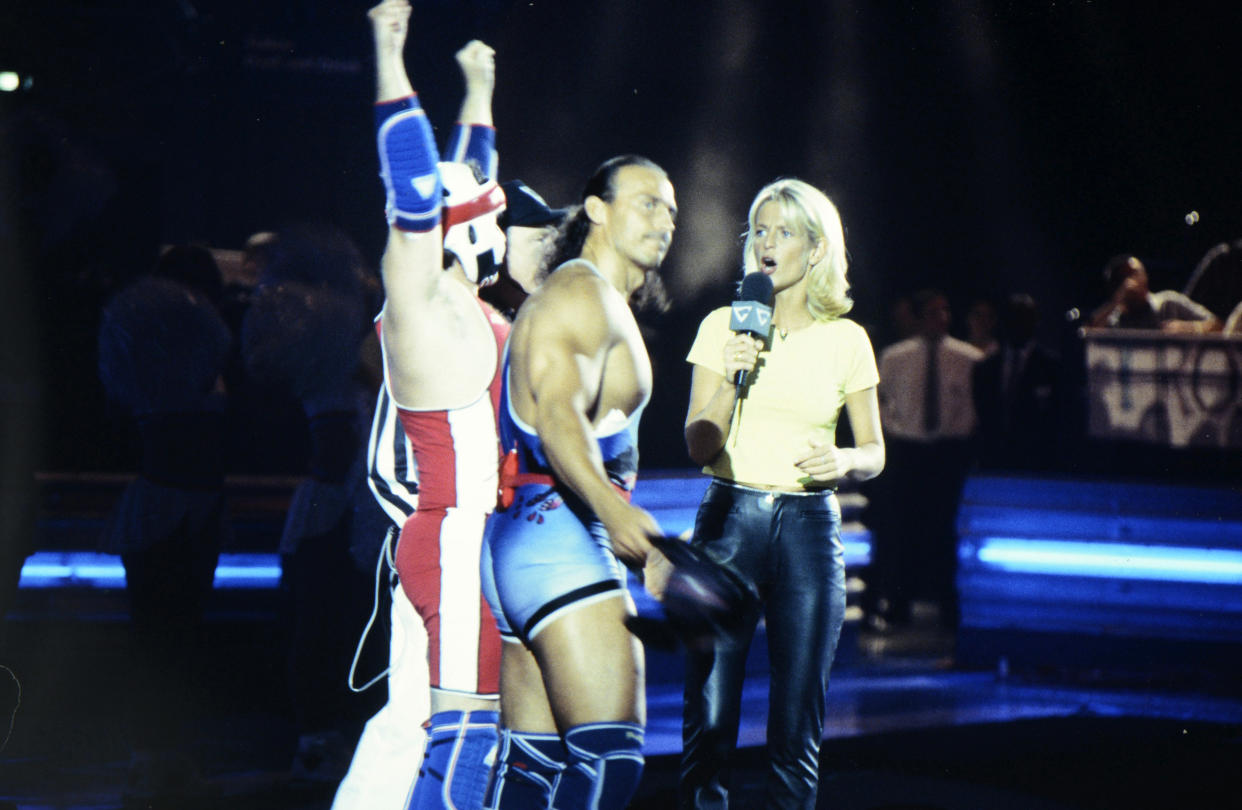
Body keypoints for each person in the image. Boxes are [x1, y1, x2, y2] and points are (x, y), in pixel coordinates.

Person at [479, 155, 677, 810]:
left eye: (671, 209)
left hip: (526, 546)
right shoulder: (581, 294)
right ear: (596, 209)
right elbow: (560, 417)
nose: (664, 220)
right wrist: (613, 514)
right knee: (607, 765)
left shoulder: (587, 296)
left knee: (533, 773)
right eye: (647, 202)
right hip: (564, 544)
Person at [679, 178, 884, 810]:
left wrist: (843, 458)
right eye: (758, 230)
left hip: (807, 530)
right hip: (727, 521)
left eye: (784, 231)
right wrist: (733, 373)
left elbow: (875, 452)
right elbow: (697, 445)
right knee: (709, 721)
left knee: (797, 722)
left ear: (817, 249)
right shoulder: (723, 326)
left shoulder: (848, 339)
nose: (767, 243)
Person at [363, 1, 514, 806]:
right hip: (450, 535)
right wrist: (391, 52)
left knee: (411, 732)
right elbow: (421, 187)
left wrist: (479, 88)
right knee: (459, 744)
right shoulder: (425, 302)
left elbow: (465, 180)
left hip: (472, 539)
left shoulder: (470, 305)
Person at [870, 289, 982, 633]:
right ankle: (899, 606)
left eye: (945, 311)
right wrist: (897, 429)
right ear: (918, 318)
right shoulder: (894, 357)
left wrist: (961, 432)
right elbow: (880, 401)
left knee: (946, 531)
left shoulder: (969, 358)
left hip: (949, 451)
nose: (941, 318)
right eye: (933, 312)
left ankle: (950, 609)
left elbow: (975, 405)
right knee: (903, 530)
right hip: (908, 449)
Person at [972, 292, 1060, 471]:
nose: (1018, 324)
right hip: (993, 463)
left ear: (1036, 322)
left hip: (1037, 464)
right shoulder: (985, 368)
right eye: (1012, 318)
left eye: (1024, 318)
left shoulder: (1052, 368)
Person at [1087, 254, 1220, 333]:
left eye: (1135, 274)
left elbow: (1218, 325)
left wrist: (1188, 328)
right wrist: (1116, 301)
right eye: (1124, 277)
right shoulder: (1115, 319)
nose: (1131, 281)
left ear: (1145, 276)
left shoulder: (1169, 303)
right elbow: (1088, 334)